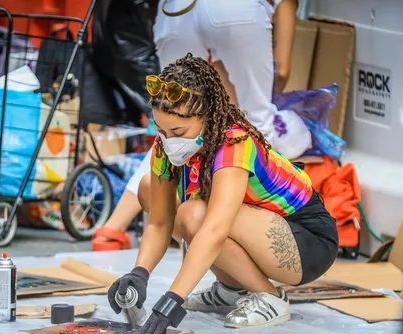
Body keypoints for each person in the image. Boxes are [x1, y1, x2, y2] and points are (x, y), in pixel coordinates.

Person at [107, 54, 338, 334]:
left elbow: (214, 231)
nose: (169, 140)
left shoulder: (233, 143)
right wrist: (139, 273)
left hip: (308, 242)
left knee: (195, 215)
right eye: (161, 131)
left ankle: (270, 296)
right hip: (259, 230)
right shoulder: (166, 146)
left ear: (207, 116)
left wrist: (170, 305)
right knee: (147, 189)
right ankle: (232, 290)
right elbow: (159, 222)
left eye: (178, 132)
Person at [92, 0, 302, 251]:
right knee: (259, 124)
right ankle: (285, 241)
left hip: (176, 14)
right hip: (236, 11)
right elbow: (282, 70)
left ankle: (111, 230)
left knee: (174, 130)